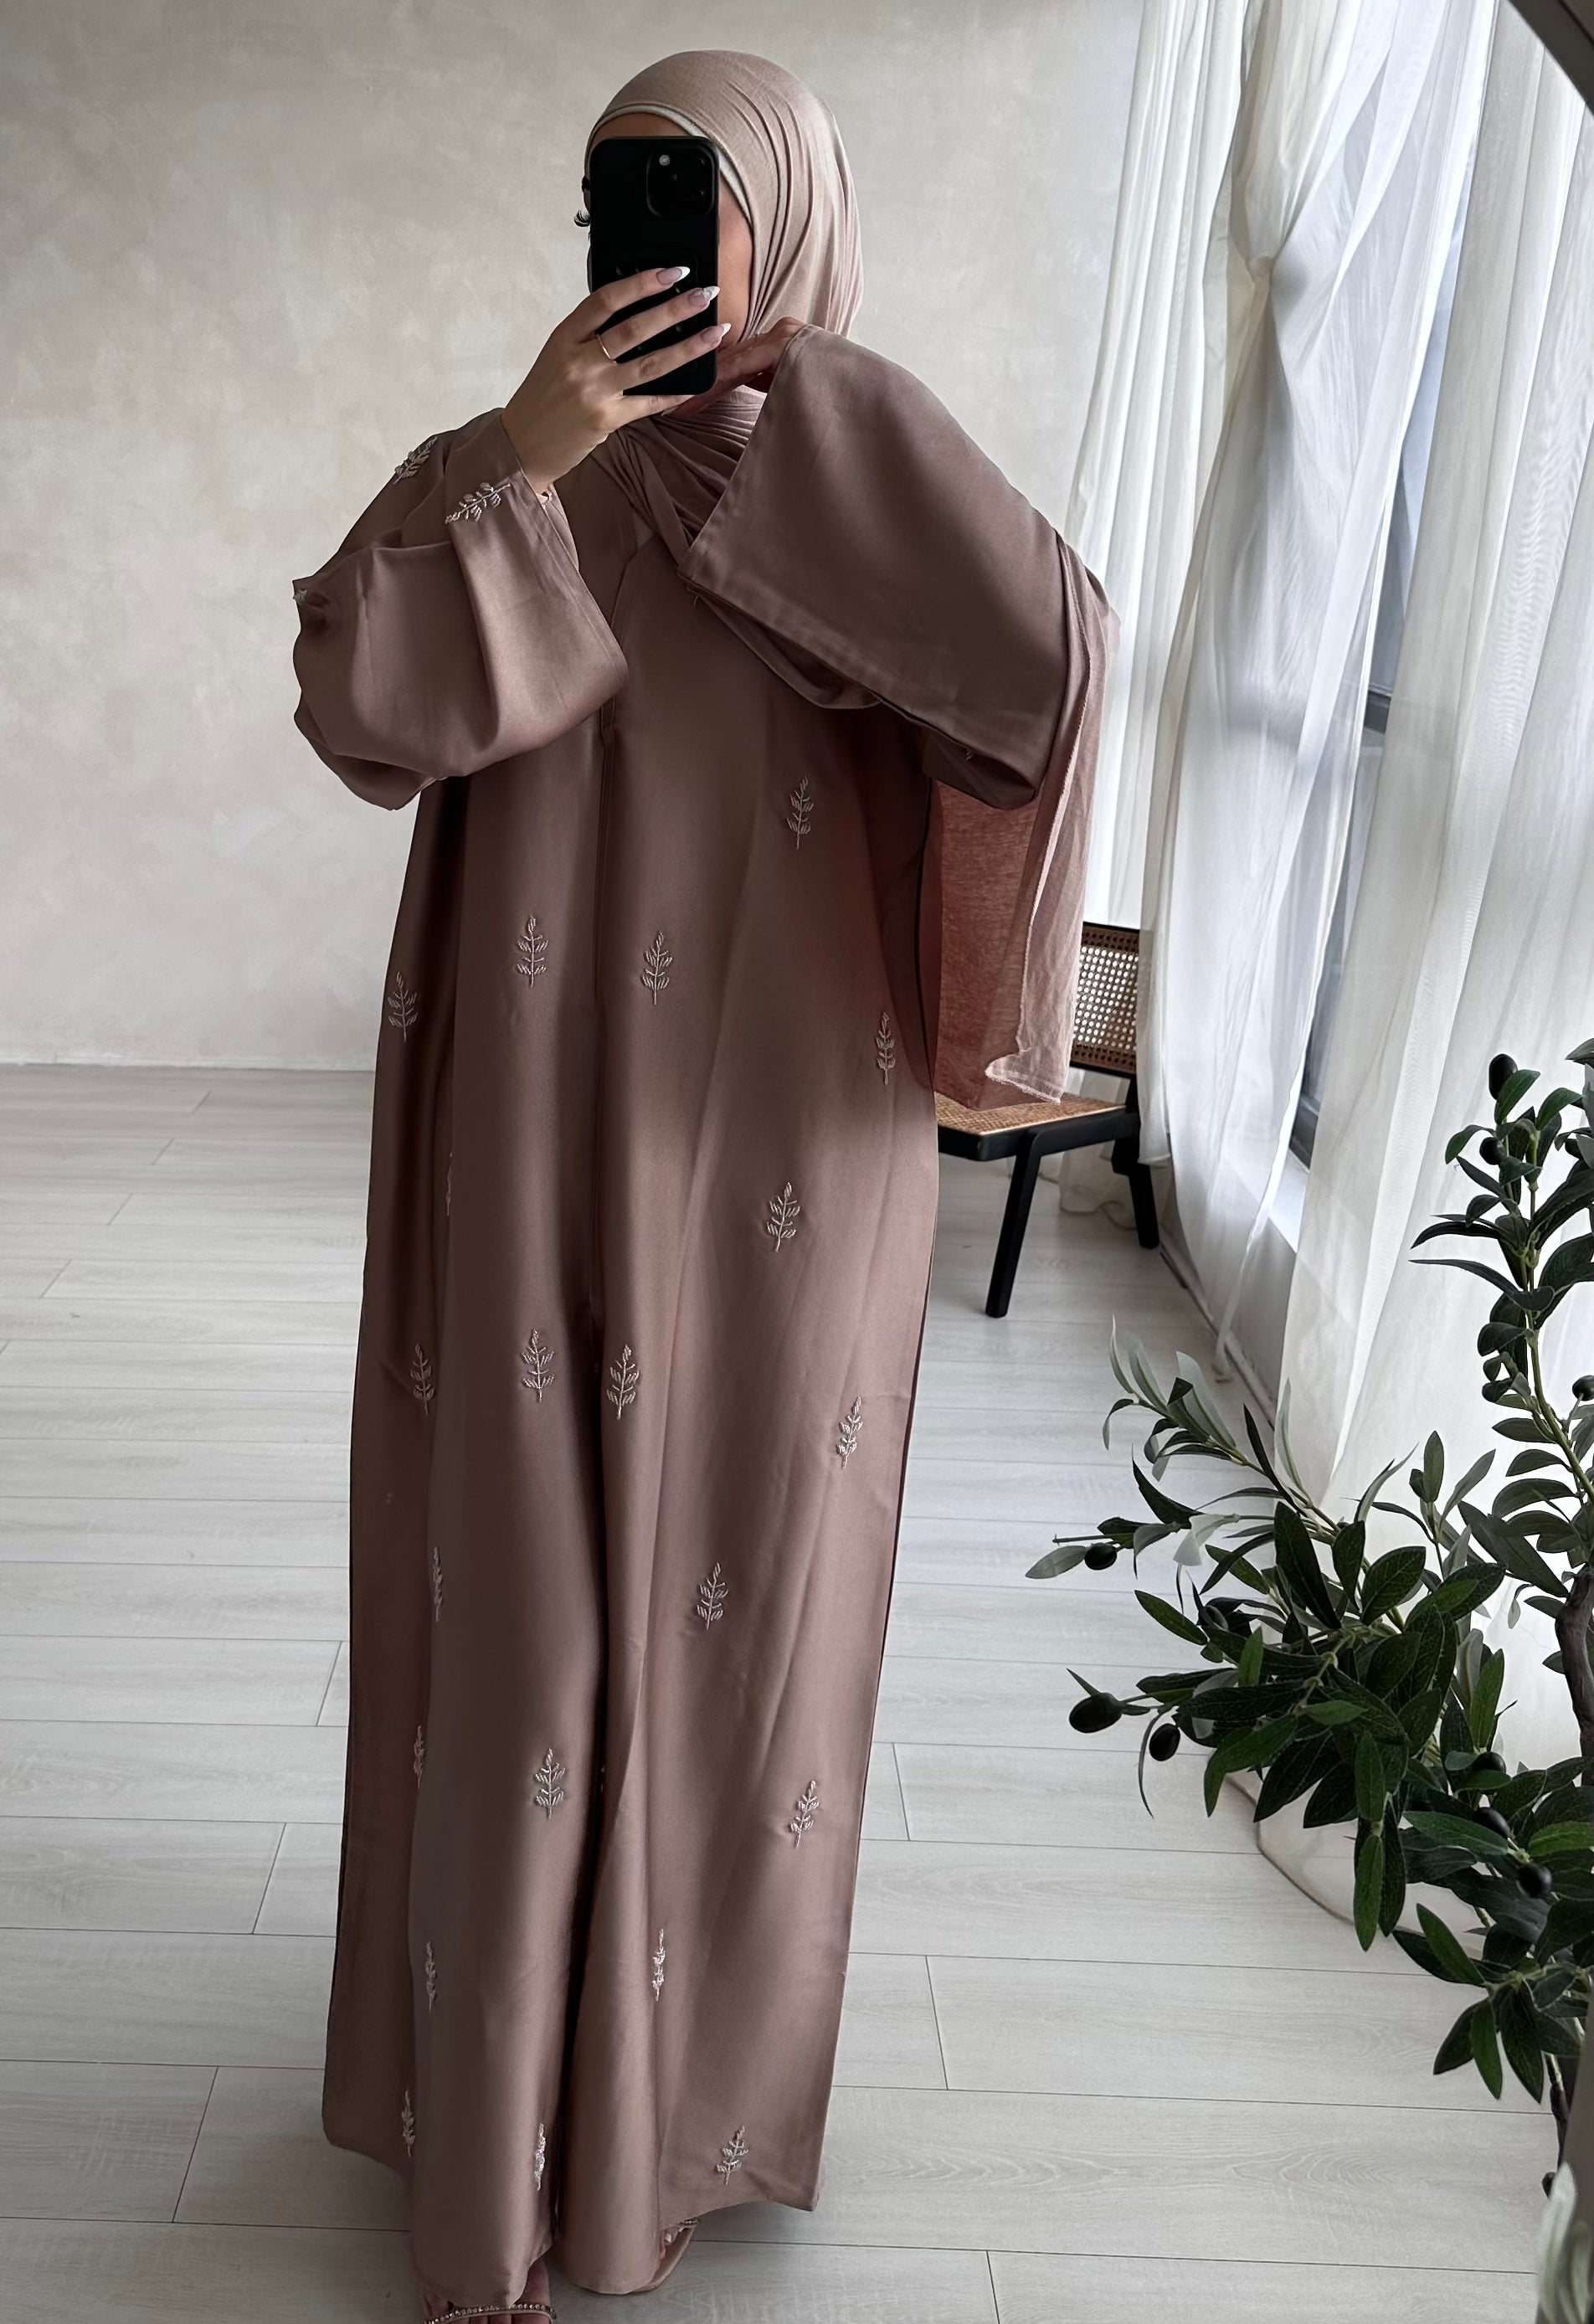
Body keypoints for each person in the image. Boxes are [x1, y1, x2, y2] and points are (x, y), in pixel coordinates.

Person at [291, 48, 1109, 2321]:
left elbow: (1048, 666)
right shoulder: (515, 467)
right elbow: (362, 705)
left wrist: (817, 467)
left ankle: (670, 2110)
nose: (648, 238)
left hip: (784, 1141)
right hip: (528, 1123)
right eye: (615, 196)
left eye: (693, 196)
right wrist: (522, 455)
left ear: (790, 217)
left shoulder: (858, 449)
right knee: (529, 1610)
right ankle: (502, 2135)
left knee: (735, 1592)